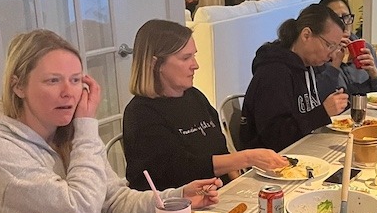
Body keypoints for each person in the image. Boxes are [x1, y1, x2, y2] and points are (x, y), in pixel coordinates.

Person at [0, 30, 221, 213]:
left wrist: (177, 198)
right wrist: (87, 126)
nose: (68, 92)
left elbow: (113, 200)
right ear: (18, 86)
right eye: (53, 80)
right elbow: (80, 212)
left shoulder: (70, 135)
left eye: (76, 79)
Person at [123, 20, 288, 191]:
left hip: (215, 194)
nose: (195, 65)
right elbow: (180, 170)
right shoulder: (141, 114)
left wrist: (240, 186)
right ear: (154, 63)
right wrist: (247, 158)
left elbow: (220, 150)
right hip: (177, 207)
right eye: (185, 58)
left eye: (193, 56)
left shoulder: (194, 96)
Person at [240, 3, 349, 153]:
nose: (332, 55)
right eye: (329, 45)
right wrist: (322, 113)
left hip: (301, 149)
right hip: (271, 162)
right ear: (306, 35)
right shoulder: (273, 73)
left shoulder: (307, 66)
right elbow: (273, 137)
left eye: (335, 48)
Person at [314, 0, 377, 101]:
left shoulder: (365, 48)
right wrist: (334, 63)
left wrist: (375, 75)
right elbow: (316, 99)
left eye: (346, 17)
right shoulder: (318, 54)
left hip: (370, 115)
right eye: (336, 19)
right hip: (336, 117)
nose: (343, 23)